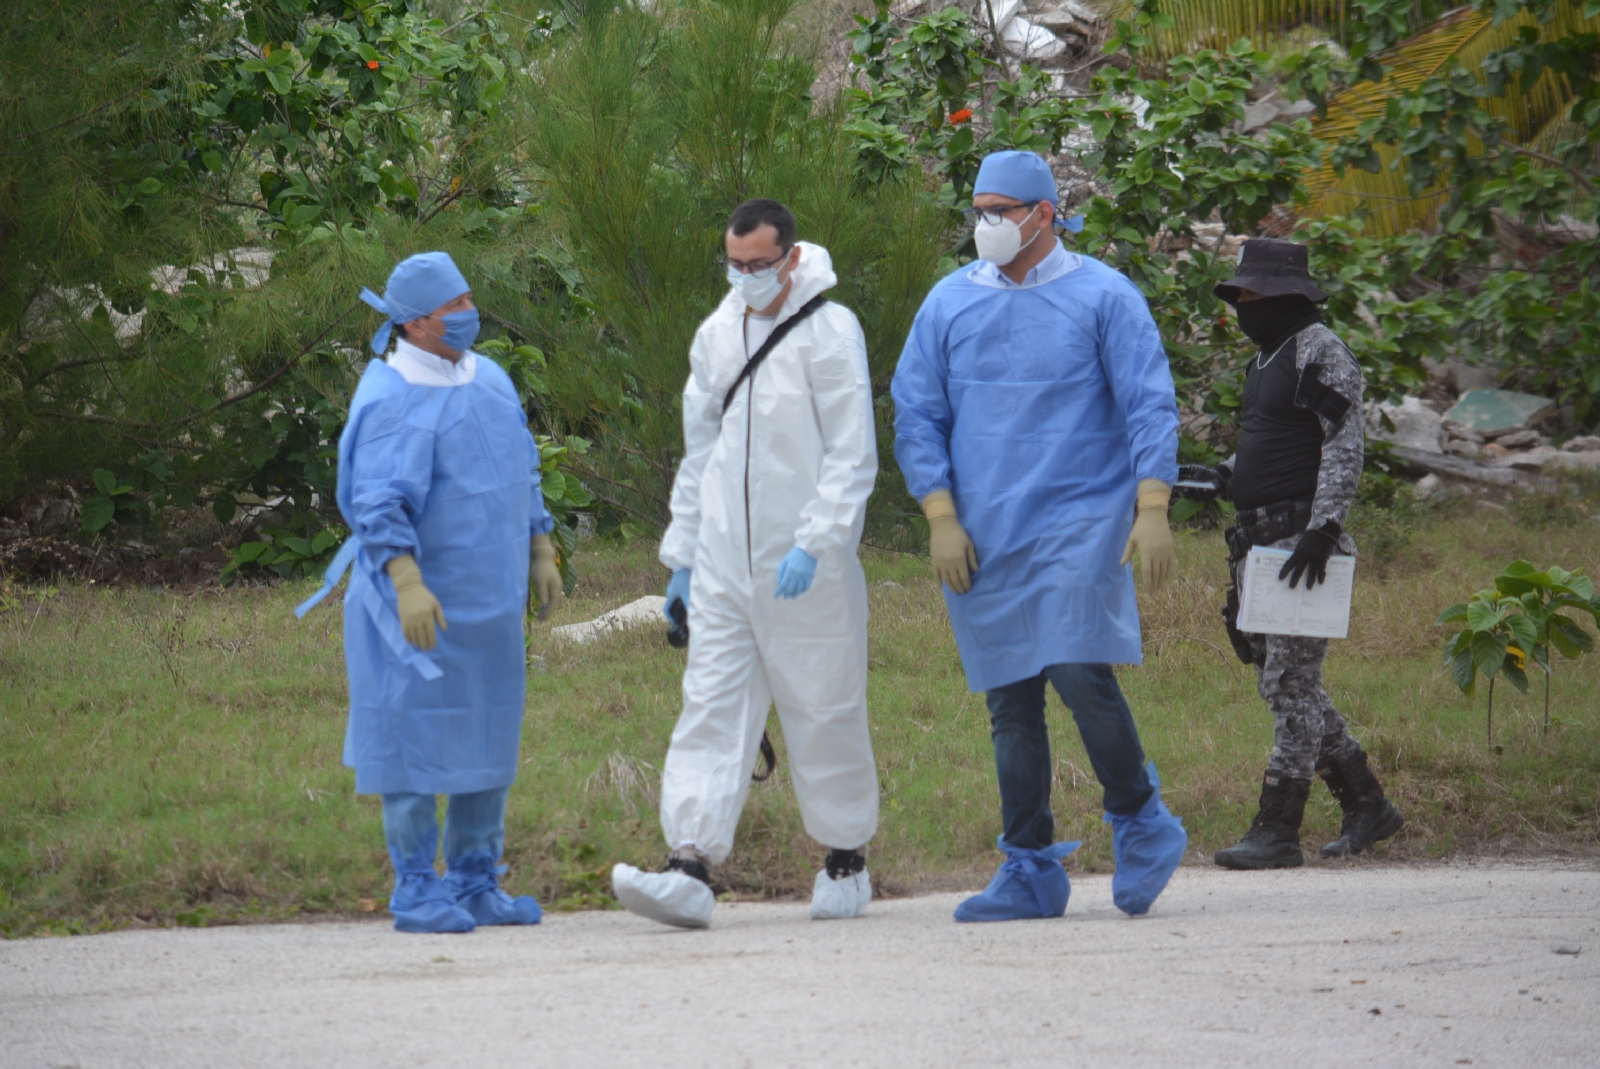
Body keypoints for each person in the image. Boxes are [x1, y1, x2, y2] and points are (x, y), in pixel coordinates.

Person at [891, 150, 1188, 922]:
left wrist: (1151, 504)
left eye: (1001, 209)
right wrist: (941, 516)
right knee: (1010, 701)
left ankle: (1142, 821)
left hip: (1079, 517)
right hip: (986, 528)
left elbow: (1149, 402)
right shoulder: (949, 304)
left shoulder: (1103, 297)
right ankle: (1029, 867)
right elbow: (917, 412)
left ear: (1045, 213)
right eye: (978, 208)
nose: (986, 223)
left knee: (1078, 669)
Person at [610, 198, 879, 928]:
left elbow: (853, 453)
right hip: (725, 563)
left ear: (790, 256)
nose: (748, 277)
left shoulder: (830, 331)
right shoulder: (716, 332)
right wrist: (683, 560)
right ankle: (690, 866)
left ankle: (846, 858)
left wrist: (816, 541)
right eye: (735, 265)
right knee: (712, 705)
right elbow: (701, 454)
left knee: (823, 707)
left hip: (805, 566)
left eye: (760, 265)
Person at [296, 251, 564, 933]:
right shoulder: (391, 395)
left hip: (489, 600)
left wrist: (538, 542)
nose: (469, 312)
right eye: (455, 305)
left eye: (469, 296)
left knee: (487, 732)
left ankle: (476, 880)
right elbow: (377, 497)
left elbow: (520, 467)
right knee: (410, 735)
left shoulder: (492, 381)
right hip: (412, 604)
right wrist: (405, 578)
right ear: (415, 323)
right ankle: (416, 885)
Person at [1176, 238, 1403, 869]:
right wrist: (1220, 475)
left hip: (1301, 544)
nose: (1242, 303)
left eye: (1250, 293)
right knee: (1288, 685)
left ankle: (1277, 829)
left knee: (1288, 683)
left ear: (1283, 295)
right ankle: (1368, 805)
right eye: (1239, 293)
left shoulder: (1321, 350)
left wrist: (1324, 530)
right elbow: (1271, 446)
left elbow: (1342, 443)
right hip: (1261, 543)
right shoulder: (1265, 359)